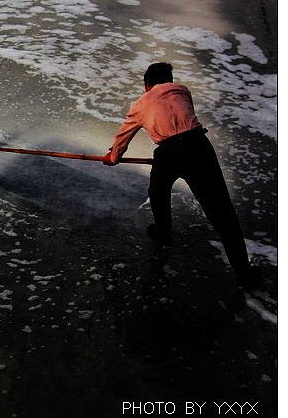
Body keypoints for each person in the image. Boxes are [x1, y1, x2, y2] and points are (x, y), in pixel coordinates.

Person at [103, 62, 260, 288]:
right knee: (223, 214)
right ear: (171, 80)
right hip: (199, 147)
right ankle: (244, 274)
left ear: (147, 85)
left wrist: (113, 157)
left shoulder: (140, 104)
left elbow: (123, 136)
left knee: (158, 192)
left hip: (168, 153)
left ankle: (163, 234)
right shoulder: (182, 90)